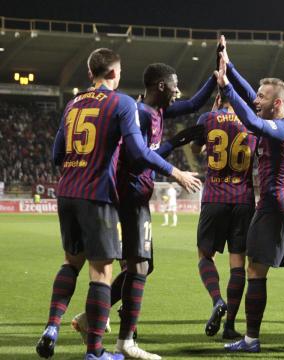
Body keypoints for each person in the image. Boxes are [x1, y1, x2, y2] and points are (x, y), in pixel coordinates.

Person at [36, 48, 201, 360]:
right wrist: (175, 171)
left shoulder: (72, 104)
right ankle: (96, 352)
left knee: (71, 263)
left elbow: (57, 155)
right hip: (97, 194)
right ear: (114, 73)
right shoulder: (122, 102)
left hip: (66, 192)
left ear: (90, 73)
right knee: (102, 272)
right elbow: (138, 154)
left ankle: (52, 327)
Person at [71, 62, 214, 359]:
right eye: (174, 85)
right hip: (129, 195)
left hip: (138, 195)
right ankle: (125, 341)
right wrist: (174, 144)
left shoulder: (159, 110)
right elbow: (138, 159)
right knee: (138, 266)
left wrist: (218, 76)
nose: (178, 91)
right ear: (161, 86)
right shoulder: (140, 114)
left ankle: (91, 319)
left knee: (141, 266)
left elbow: (194, 103)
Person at [215, 38, 284, 356]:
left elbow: (250, 119)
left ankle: (250, 339)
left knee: (255, 270)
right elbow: (252, 100)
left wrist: (225, 88)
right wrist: (230, 66)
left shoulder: (279, 129)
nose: (256, 99)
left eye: (263, 97)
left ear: (277, 103)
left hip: (275, 205)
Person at [191, 89, 257, 340]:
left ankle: (217, 300)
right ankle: (229, 325)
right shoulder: (251, 121)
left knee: (205, 255)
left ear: (218, 99)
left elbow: (196, 150)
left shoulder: (206, 119)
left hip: (215, 197)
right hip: (243, 199)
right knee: (238, 262)